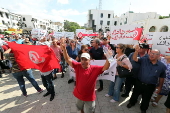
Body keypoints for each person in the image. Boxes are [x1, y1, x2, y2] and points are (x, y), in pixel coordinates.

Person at [60, 38, 110, 113]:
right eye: (82, 59)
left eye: (85, 59)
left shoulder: (95, 68)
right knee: (81, 108)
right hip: (79, 95)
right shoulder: (78, 65)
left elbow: (106, 67)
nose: (83, 61)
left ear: (89, 61)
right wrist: (64, 49)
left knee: (90, 111)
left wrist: (109, 58)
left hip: (89, 97)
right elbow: (67, 59)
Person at [127, 47, 166, 113]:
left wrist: (160, 87)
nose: (151, 55)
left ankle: (143, 109)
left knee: (146, 98)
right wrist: (136, 51)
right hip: (139, 83)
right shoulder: (144, 60)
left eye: (154, 53)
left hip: (150, 86)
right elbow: (135, 59)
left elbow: (162, 77)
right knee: (134, 94)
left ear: (158, 56)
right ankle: (132, 103)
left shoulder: (162, 66)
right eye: (151, 53)